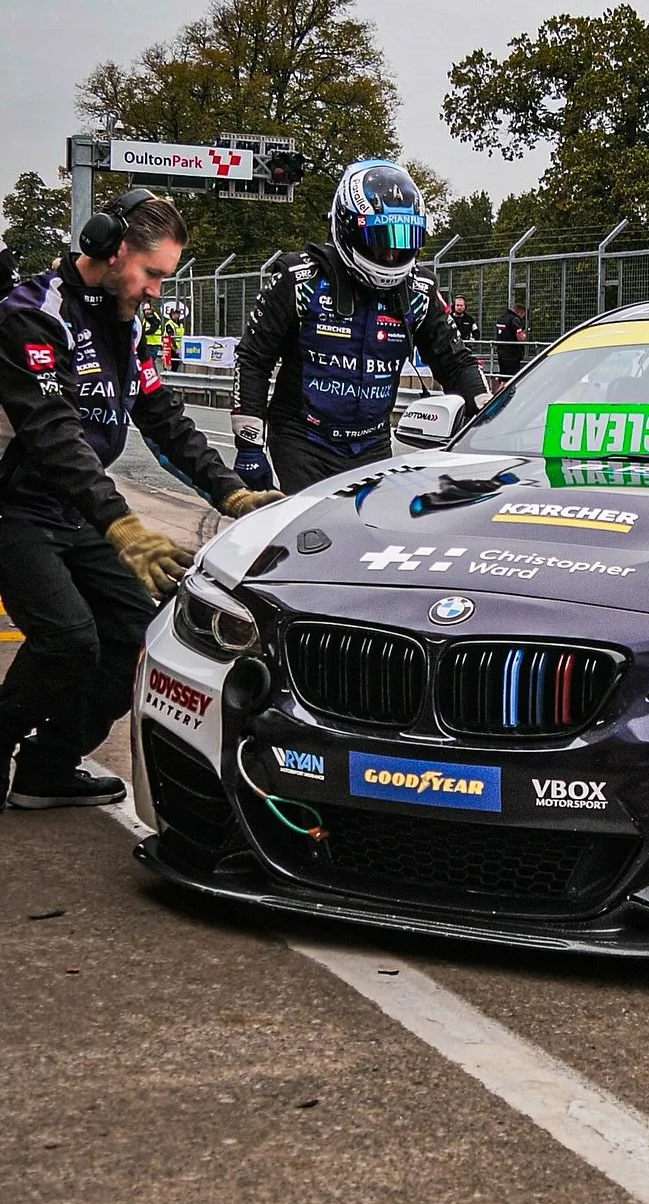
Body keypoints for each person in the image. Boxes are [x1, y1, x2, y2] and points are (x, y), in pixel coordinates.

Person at [0, 190, 281, 809]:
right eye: (152, 273)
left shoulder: (128, 326)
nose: (157, 290)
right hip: (16, 509)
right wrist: (125, 527)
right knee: (69, 640)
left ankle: (49, 766)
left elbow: (165, 419)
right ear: (111, 247)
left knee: (136, 633)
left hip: (79, 513)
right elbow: (52, 434)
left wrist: (232, 493)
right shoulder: (32, 313)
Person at [230, 160, 490, 493]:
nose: (393, 253)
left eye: (403, 238)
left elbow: (455, 361)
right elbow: (253, 359)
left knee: (373, 536)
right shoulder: (298, 280)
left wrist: (488, 416)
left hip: (372, 444)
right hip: (304, 440)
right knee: (317, 535)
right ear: (348, 226)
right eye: (381, 238)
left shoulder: (419, 290)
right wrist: (249, 445)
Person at [494, 297, 528, 378]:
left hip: (501, 351)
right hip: (512, 354)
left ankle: (500, 390)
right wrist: (524, 335)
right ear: (520, 313)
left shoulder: (501, 318)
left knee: (503, 377)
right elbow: (520, 338)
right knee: (512, 378)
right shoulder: (515, 319)